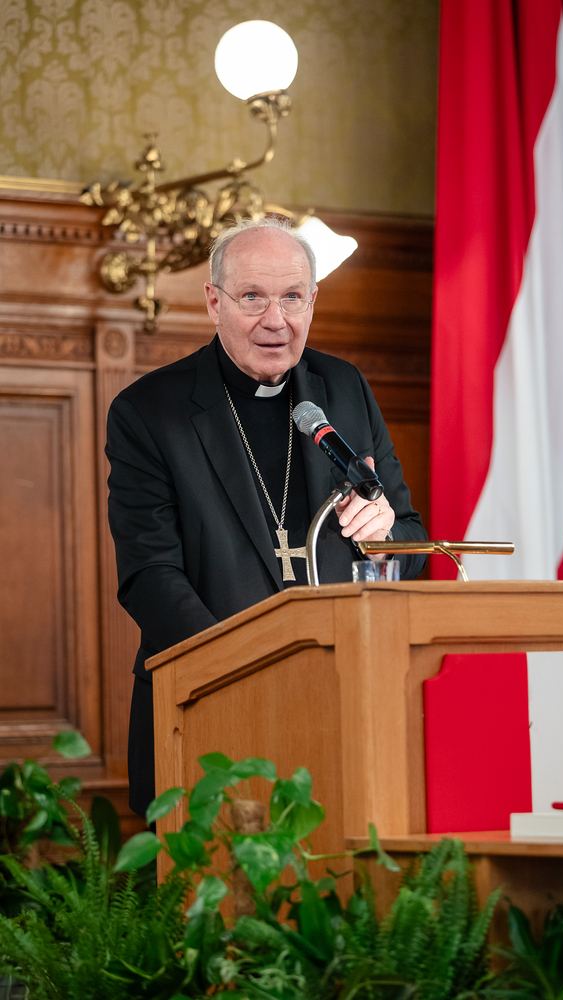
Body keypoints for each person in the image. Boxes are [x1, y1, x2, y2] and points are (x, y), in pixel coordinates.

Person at [106, 217, 427, 816]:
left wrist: (384, 535)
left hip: (344, 706)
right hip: (205, 708)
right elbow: (150, 577)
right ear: (214, 302)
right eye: (252, 296)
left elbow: (412, 542)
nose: (276, 320)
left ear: (313, 301)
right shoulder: (148, 411)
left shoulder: (344, 389)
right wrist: (246, 672)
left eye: (292, 297)